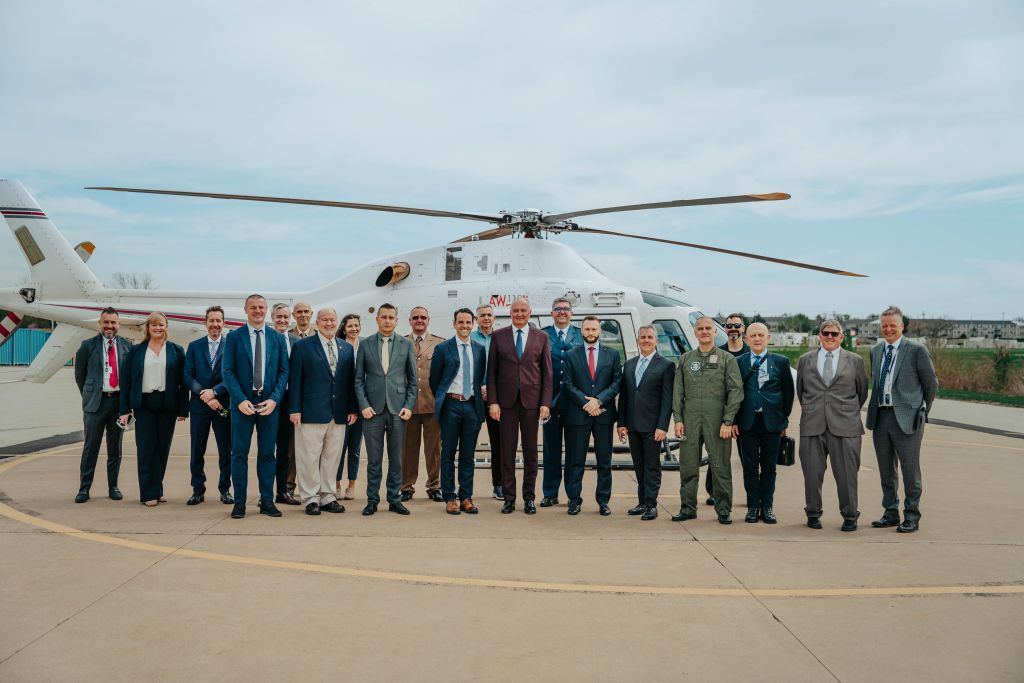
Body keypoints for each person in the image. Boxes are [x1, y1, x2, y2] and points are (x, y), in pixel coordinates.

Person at [865, 305, 938, 533]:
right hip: (881, 416)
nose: (888, 329)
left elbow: (931, 384)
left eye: (892, 325)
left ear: (902, 326)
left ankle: (912, 515)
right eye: (884, 325)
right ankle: (890, 512)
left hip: (907, 419)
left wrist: (922, 410)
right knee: (886, 471)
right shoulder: (876, 351)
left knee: (909, 470)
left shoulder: (916, 350)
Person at [222, 294, 291, 519]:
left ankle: (267, 501)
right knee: (239, 454)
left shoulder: (277, 338)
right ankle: (239, 502)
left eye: (261, 307)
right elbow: (228, 371)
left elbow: (283, 372)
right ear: (246, 309)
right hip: (243, 402)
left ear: (266, 310)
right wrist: (240, 399)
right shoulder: (234, 337)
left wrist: (275, 399)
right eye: (253, 307)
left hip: (268, 402)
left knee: (267, 454)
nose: (258, 311)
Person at [796, 319, 868, 531]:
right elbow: (801, 392)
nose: (829, 337)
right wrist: (816, 409)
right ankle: (813, 513)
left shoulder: (854, 360)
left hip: (845, 426)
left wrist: (843, 411)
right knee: (811, 473)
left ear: (841, 337)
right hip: (812, 423)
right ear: (819, 335)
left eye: (834, 334)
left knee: (847, 474)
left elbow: (861, 392)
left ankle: (849, 515)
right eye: (825, 333)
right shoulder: (805, 360)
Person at [672, 316, 744, 524]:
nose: (704, 331)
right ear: (695, 332)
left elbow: (736, 391)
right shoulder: (686, 359)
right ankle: (687, 508)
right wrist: (678, 419)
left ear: (714, 332)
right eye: (700, 328)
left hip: (717, 420)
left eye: (708, 329)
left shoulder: (726, 359)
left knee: (720, 466)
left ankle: (723, 510)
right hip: (690, 419)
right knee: (688, 466)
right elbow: (678, 391)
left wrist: (728, 421)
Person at [288, 308, 357, 515]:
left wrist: (353, 408)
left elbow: (349, 382)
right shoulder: (302, 347)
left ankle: (327, 496)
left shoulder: (345, 348)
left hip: (338, 413)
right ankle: (310, 497)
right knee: (308, 457)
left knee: (332, 457)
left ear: (337, 323)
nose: (329, 323)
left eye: (332, 320)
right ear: (316, 323)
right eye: (324, 320)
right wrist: (294, 409)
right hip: (310, 412)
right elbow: (295, 380)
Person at [487, 298, 553, 515]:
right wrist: (493, 402)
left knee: (531, 452)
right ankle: (509, 498)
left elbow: (547, 373)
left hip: (531, 402)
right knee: (507, 451)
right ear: (510, 312)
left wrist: (545, 403)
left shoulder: (541, 337)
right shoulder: (498, 336)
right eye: (515, 310)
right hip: (505, 403)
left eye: (523, 310)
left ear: (530, 312)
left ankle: (529, 497)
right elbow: (492, 373)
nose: (519, 314)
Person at [118, 312, 188, 506]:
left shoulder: (176, 350)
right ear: (147, 328)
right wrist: (124, 409)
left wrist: (183, 409)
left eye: (161, 325)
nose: (158, 328)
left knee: (162, 449)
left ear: (167, 327)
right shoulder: (136, 351)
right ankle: (148, 493)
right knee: (146, 448)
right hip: (144, 405)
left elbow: (184, 383)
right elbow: (126, 382)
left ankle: (157, 489)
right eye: (154, 325)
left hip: (168, 404)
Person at [355, 303, 417, 516]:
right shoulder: (366, 344)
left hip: (398, 411)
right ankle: (372, 500)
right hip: (372, 411)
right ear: (377, 319)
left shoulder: (406, 344)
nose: (387, 320)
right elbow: (358, 380)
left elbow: (413, 381)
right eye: (384, 317)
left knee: (396, 460)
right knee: (373, 460)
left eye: (391, 317)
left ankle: (394, 499)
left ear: (396, 320)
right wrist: (363, 405)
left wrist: (409, 406)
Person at [733, 323, 794, 524]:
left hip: (772, 423)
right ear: (747, 339)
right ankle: (752, 507)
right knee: (750, 467)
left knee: (769, 467)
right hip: (747, 423)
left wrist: (784, 419)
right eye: (753, 335)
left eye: (761, 335)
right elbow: (733, 393)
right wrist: (733, 420)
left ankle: (767, 507)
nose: (757, 338)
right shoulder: (739, 362)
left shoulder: (781, 362)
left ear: (768, 337)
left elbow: (788, 393)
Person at [562, 316, 622, 516]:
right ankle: (574, 500)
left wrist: (599, 401)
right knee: (575, 460)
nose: (590, 333)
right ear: (582, 331)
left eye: (593, 329)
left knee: (604, 460)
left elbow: (616, 383)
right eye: (587, 329)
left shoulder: (612, 355)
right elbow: (568, 383)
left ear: (599, 331)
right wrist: (586, 403)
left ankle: (603, 500)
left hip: (603, 414)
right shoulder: (571, 355)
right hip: (578, 415)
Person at [429, 308, 487, 515]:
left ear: (473, 324)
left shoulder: (479, 349)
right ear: (454, 324)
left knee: (468, 455)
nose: (464, 326)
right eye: (460, 322)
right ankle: (450, 497)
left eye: (468, 322)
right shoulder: (444, 348)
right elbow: (434, 380)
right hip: (451, 405)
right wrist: (444, 399)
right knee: (448, 453)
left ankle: (466, 497)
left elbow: (480, 377)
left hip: (472, 406)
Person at [73, 307, 133, 503]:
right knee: (91, 447)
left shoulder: (127, 346)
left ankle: (113, 486)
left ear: (119, 325)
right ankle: (84, 489)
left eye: (113, 322)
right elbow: (80, 376)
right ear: (100, 324)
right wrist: (90, 397)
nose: (109, 326)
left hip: (118, 404)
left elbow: (131, 377)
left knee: (115, 448)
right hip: (95, 404)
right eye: (106, 322)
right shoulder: (87, 346)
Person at [617, 326, 674, 520]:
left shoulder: (665, 365)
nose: (646, 340)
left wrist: (663, 426)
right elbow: (624, 396)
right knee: (639, 465)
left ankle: (651, 504)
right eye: (643, 337)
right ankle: (642, 502)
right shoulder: (630, 364)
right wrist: (621, 423)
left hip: (653, 426)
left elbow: (667, 400)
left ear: (656, 340)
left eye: (650, 337)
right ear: (638, 340)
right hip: (632, 425)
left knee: (652, 466)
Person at [183, 305, 233, 505]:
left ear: (224, 323)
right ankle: (197, 489)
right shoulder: (194, 346)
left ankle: (225, 489)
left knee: (225, 450)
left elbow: (233, 374)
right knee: (197, 450)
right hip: (199, 406)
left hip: (223, 405)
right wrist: (203, 393)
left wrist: (215, 392)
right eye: (211, 320)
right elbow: (187, 374)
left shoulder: (231, 346)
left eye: (218, 320)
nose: (215, 324)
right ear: (205, 323)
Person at [540, 297, 584, 507]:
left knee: (575, 452)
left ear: (572, 313)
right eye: (558, 309)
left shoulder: (581, 334)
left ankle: (573, 496)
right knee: (551, 451)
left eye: (566, 309)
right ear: (552, 313)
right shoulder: (543, 335)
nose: (562, 312)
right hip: (551, 402)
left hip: (576, 402)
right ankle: (550, 493)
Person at [400, 306, 446, 502]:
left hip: (432, 405)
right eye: (415, 317)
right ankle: (406, 487)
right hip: (407, 406)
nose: (419, 320)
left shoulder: (440, 343)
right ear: (409, 321)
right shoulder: (401, 342)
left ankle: (434, 486)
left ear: (429, 320)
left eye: (423, 317)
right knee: (408, 449)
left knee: (434, 450)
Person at [706, 312, 748, 506]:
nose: (733, 329)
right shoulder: (716, 353)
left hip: (744, 414)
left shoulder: (750, 353)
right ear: (724, 329)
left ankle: (752, 494)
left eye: (737, 326)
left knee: (747, 459)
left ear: (743, 328)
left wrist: (736, 419)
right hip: (720, 414)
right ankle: (714, 491)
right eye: (729, 326)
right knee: (717, 455)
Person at [471, 304, 502, 500]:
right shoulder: (470, 338)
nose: (486, 318)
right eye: (482, 315)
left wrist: (491, 389)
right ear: (476, 318)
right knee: (468, 443)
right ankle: (466, 488)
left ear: (494, 318)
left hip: (496, 398)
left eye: (489, 315)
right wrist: (480, 387)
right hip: (474, 396)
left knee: (498, 443)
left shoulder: (501, 339)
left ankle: (498, 485)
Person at [271, 303, 301, 506]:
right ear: (272, 317)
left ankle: (282, 491)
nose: (282, 320)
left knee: (285, 450)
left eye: (285, 317)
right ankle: (266, 492)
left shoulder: (296, 342)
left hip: (290, 400)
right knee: (267, 450)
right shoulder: (266, 339)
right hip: (270, 399)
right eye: (278, 316)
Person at [335, 313, 363, 499]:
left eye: (356, 325)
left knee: (355, 448)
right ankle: (335, 484)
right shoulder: (338, 346)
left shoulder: (366, 346)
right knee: (339, 448)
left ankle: (351, 485)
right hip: (342, 404)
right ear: (344, 328)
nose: (354, 329)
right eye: (350, 326)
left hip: (361, 404)